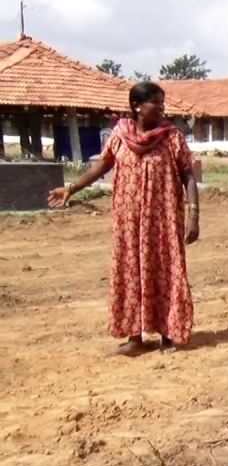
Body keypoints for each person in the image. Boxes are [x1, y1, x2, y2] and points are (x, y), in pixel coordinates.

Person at [48, 81, 200, 355]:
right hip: (128, 221)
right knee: (130, 272)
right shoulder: (120, 135)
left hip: (163, 219)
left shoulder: (172, 137)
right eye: (157, 102)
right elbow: (101, 166)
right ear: (137, 106)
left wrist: (194, 215)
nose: (162, 108)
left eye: (163, 102)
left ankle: (168, 334)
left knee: (164, 269)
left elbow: (188, 174)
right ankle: (135, 338)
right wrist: (71, 188)